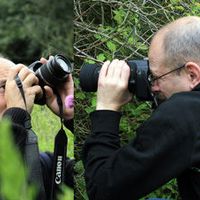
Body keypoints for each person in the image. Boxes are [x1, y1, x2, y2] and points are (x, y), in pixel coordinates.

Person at [82, 16, 200, 200]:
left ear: (192, 75)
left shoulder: (185, 112)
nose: (153, 86)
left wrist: (106, 107)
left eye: (156, 76)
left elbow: (102, 190)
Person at [0, 56, 74, 199]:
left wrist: (71, 116)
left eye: (16, 84)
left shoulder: (38, 164)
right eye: (5, 87)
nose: (15, 92)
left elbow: (96, 177)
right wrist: (15, 116)